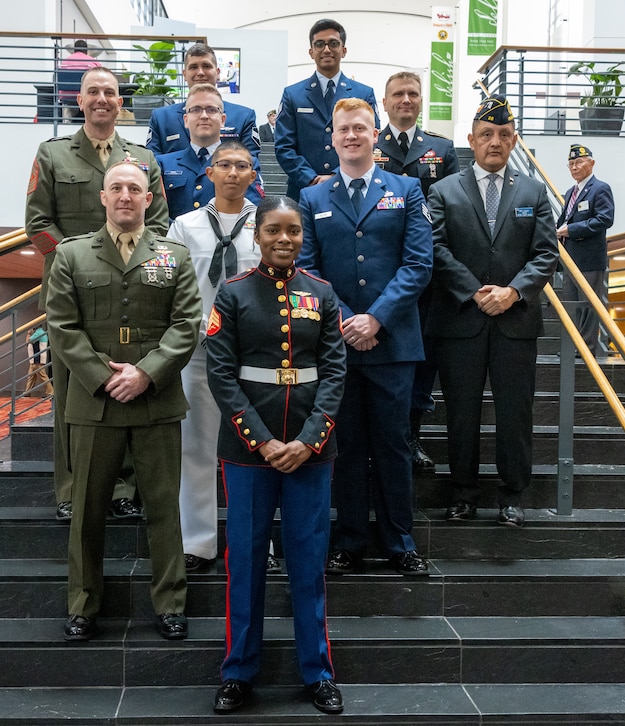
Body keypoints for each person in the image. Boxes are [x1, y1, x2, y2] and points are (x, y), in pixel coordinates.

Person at [46, 161, 201, 644]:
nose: (126, 196)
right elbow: (62, 327)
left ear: (148, 198)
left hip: (155, 400)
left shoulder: (173, 255)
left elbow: (186, 325)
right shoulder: (72, 256)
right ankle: (83, 605)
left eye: (135, 188)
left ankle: (171, 603)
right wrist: (103, 377)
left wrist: (146, 374)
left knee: (163, 509)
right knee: (88, 511)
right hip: (95, 404)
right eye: (117, 187)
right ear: (103, 196)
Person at [205, 196, 347, 716]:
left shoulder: (324, 294)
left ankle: (318, 672)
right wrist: (262, 441)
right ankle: (238, 671)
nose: (284, 239)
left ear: (303, 237)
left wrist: (308, 440)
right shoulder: (234, 294)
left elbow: (335, 372)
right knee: (244, 561)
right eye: (273, 231)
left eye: (293, 231)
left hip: (311, 450)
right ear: (257, 236)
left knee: (308, 564)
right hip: (247, 451)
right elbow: (221, 374)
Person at [25, 65, 169, 521]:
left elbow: (160, 225)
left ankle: (122, 488)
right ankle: (72, 490)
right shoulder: (53, 155)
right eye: (94, 92)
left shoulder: (143, 159)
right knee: (73, 390)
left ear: (120, 102)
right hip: (71, 291)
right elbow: (37, 224)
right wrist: (77, 259)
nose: (102, 98)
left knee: (125, 382)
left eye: (110, 92)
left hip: (131, 288)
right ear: (79, 100)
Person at [298, 98, 432, 577]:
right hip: (337, 346)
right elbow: (307, 270)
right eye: (343, 130)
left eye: (360, 128)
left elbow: (419, 263)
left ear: (376, 134)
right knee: (347, 446)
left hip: (393, 345)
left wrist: (374, 319)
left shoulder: (407, 189)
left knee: (394, 445)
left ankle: (401, 542)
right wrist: (347, 321)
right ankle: (349, 540)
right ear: (331, 139)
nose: (351, 135)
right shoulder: (313, 198)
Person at [427, 95, 559, 529]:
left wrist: (513, 292)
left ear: (514, 139)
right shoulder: (443, 191)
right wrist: (474, 291)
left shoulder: (534, 192)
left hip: (515, 322)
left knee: (515, 413)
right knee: (461, 413)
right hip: (460, 320)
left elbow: (544, 254)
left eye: (504, 135)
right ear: (471, 141)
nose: (495, 142)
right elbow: (437, 249)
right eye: (487, 134)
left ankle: (512, 495)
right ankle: (463, 493)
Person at [166, 140, 264, 573]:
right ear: (209, 173)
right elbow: (171, 287)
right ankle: (198, 542)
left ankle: (261, 542)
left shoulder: (266, 223)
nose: (232, 172)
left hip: (255, 353)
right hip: (200, 350)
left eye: (242, 165)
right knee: (197, 447)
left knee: (260, 445)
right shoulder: (185, 226)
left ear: (252, 175)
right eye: (223, 164)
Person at [375, 70, 460, 471]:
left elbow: (455, 211)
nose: (405, 100)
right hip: (375, 271)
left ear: (421, 101)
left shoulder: (441, 151)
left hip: (425, 275)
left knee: (421, 361)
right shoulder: (368, 144)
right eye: (398, 94)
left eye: (412, 94)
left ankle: (412, 436)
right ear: (385, 102)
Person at [275, 18, 379, 200]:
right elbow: (284, 146)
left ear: (344, 50)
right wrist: (311, 178)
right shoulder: (293, 95)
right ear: (311, 52)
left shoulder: (363, 93)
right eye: (319, 44)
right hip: (303, 189)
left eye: (333, 44)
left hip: (350, 186)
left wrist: (336, 176)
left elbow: (371, 140)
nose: (326, 49)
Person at [156, 84, 264, 222]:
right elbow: (158, 214)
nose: (204, 116)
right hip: (176, 239)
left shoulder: (246, 163)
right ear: (186, 120)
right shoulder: (163, 164)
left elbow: (252, 210)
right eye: (195, 110)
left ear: (223, 120)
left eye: (212, 110)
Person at [146, 43, 260, 167]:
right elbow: (153, 167)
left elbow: (249, 166)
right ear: (184, 74)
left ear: (217, 72)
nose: (200, 72)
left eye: (206, 66)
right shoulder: (162, 118)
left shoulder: (243, 117)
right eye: (193, 67)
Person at [556, 144, 615, 357]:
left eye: (579, 162)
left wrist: (571, 230)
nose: (574, 167)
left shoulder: (600, 188)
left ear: (591, 163)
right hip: (571, 258)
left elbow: (605, 219)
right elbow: (564, 220)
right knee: (571, 305)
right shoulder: (571, 192)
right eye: (571, 164)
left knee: (588, 305)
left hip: (589, 258)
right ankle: (570, 347)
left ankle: (586, 349)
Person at [57, 40, 101, 118]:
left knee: (67, 109)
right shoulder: (94, 62)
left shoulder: (64, 62)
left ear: (74, 50)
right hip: (86, 96)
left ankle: (66, 123)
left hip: (67, 97)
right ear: (86, 50)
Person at [23, 325, 53, 397]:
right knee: (31, 376)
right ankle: (27, 392)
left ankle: (51, 392)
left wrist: (29, 333)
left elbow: (28, 341)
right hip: (34, 359)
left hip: (37, 359)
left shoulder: (38, 333)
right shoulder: (39, 333)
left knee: (43, 376)